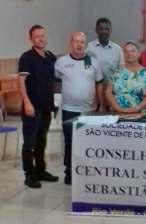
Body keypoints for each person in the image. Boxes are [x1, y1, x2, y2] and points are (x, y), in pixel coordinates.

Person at [55, 32, 104, 185]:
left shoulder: (94, 62)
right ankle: (69, 172)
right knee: (70, 142)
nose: (79, 44)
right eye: (76, 41)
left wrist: (101, 104)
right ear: (71, 43)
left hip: (89, 110)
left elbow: (99, 84)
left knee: (88, 143)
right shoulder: (61, 62)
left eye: (82, 42)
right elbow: (55, 82)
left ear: (85, 44)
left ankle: (88, 172)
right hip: (69, 109)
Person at [18, 24, 59, 188]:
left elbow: (56, 81)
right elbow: (21, 82)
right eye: (37, 36)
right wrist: (27, 103)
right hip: (32, 108)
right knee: (30, 142)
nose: (41, 39)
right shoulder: (26, 57)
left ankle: (41, 170)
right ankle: (29, 174)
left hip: (47, 107)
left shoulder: (51, 57)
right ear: (31, 39)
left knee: (42, 140)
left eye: (43, 35)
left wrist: (56, 102)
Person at [105, 41, 146, 113]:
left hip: (140, 114)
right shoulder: (116, 72)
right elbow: (108, 92)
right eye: (126, 51)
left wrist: (137, 108)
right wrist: (118, 108)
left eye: (133, 51)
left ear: (138, 54)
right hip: (118, 113)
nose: (129, 54)